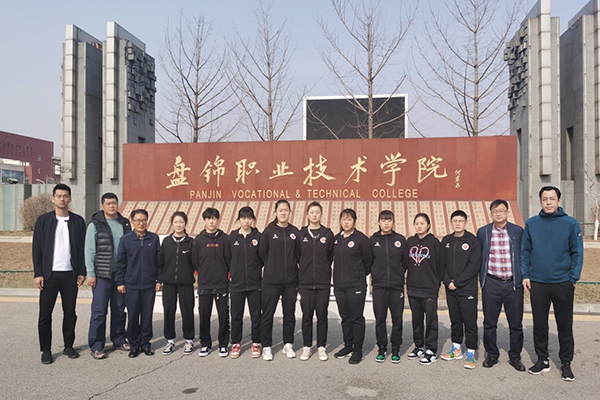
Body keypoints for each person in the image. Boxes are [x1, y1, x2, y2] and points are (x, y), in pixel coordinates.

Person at [521, 186, 583, 381]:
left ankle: (566, 363)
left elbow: (577, 252)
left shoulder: (570, 223)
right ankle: (542, 360)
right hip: (537, 283)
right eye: (545, 199)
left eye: (552, 198)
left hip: (562, 282)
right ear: (540, 201)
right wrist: (525, 275)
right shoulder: (532, 223)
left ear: (559, 201)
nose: (548, 202)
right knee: (539, 324)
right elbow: (525, 251)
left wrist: (572, 278)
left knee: (565, 325)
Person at [33, 183, 86, 364]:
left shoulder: (78, 221)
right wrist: (38, 273)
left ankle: (68, 346)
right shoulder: (43, 221)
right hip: (49, 275)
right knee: (45, 314)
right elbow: (37, 249)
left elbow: (81, 249)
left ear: (70, 199)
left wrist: (81, 271)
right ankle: (45, 350)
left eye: (65, 196)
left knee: (70, 312)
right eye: (58, 196)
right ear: (53, 199)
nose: (62, 199)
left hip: (70, 275)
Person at [477, 200, 525, 371]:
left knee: (516, 324)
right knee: (490, 323)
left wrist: (524, 277)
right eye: (495, 211)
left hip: (513, 284)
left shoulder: (517, 231)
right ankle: (492, 355)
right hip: (491, 283)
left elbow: (523, 254)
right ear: (491, 213)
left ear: (507, 212)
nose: (498, 213)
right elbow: (479, 256)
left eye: (501, 210)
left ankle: (515, 357)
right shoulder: (483, 232)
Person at [86, 192, 131, 360]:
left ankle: (118, 339)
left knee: (119, 309)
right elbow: (89, 250)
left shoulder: (124, 223)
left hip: (120, 275)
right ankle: (96, 345)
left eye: (114, 203)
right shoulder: (95, 225)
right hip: (101, 275)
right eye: (108, 203)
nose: (112, 206)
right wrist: (91, 273)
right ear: (102, 206)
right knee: (99, 311)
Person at [116, 209, 161, 358]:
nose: (141, 223)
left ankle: (146, 344)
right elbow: (121, 263)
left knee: (147, 316)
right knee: (133, 316)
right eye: (138, 220)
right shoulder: (126, 239)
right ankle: (134, 345)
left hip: (149, 284)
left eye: (144, 220)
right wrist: (120, 282)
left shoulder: (153, 238)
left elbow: (158, 262)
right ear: (132, 221)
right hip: (131, 285)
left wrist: (159, 280)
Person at [259, 199, 300, 361]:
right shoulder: (268, 232)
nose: (283, 212)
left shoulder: (294, 232)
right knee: (267, 315)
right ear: (275, 212)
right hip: (271, 281)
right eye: (280, 210)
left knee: (289, 314)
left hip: (290, 282)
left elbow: (299, 255)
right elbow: (261, 254)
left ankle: (288, 344)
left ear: (290, 212)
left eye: (286, 210)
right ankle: (266, 346)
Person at [440, 210, 481, 369]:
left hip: (467, 289)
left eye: (460, 221)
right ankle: (456, 349)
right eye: (455, 221)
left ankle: (471, 352)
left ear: (465, 223)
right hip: (450, 288)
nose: (457, 223)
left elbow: (474, 265)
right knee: (455, 320)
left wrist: (457, 282)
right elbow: (441, 264)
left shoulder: (472, 241)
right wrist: (447, 281)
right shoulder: (446, 240)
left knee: (469, 322)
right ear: (451, 222)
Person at [332, 208, 373, 365]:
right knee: (345, 317)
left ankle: (358, 350)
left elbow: (368, 262)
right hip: (339, 286)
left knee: (356, 317)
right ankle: (348, 345)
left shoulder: (361, 239)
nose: (346, 222)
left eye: (349, 219)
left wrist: (358, 274)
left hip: (356, 285)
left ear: (354, 221)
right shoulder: (337, 239)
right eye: (344, 219)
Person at [296, 201, 334, 361]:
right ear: (307, 214)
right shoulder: (301, 234)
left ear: (321, 214)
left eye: (317, 212)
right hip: (305, 282)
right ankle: (307, 346)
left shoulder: (327, 234)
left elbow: (330, 256)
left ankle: (321, 347)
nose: (314, 215)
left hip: (322, 282)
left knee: (322, 316)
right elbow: (298, 256)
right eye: (312, 212)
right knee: (306, 316)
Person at [369, 210, 408, 364]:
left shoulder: (400, 240)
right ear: (379, 222)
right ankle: (382, 348)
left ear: (393, 222)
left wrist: (397, 275)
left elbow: (405, 262)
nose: (386, 223)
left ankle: (396, 349)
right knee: (380, 318)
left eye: (389, 220)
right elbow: (369, 262)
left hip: (396, 286)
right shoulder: (373, 240)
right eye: (383, 220)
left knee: (397, 319)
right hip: (379, 286)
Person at [406, 213, 444, 366]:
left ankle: (431, 350)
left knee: (431, 320)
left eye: (422, 223)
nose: (419, 226)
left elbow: (441, 265)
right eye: (417, 223)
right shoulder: (410, 242)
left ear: (428, 225)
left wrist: (436, 284)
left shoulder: (434, 243)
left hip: (429, 288)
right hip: (413, 287)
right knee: (416, 319)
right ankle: (419, 346)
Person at [225, 206, 262, 359]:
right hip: (237, 284)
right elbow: (228, 258)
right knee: (236, 315)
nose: (246, 221)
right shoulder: (232, 238)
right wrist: (234, 273)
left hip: (254, 283)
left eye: (249, 218)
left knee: (256, 315)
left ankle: (256, 343)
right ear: (239, 219)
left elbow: (262, 258)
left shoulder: (258, 237)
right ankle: (236, 343)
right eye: (243, 218)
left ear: (252, 219)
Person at [192, 207, 230, 358]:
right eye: (208, 218)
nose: (211, 221)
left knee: (223, 316)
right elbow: (195, 261)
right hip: (205, 284)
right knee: (204, 316)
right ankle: (205, 344)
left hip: (221, 284)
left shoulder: (225, 238)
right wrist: (202, 274)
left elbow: (229, 259)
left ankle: (223, 345)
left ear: (218, 220)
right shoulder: (198, 240)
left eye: (214, 218)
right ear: (204, 220)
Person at [159, 211, 195, 356]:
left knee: (187, 311)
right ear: (172, 223)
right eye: (176, 222)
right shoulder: (166, 242)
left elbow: (195, 262)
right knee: (169, 311)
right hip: (168, 283)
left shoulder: (191, 242)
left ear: (185, 223)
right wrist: (160, 279)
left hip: (186, 283)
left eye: (181, 222)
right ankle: (170, 340)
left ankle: (189, 340)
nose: (178, 225)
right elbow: (160, 262)